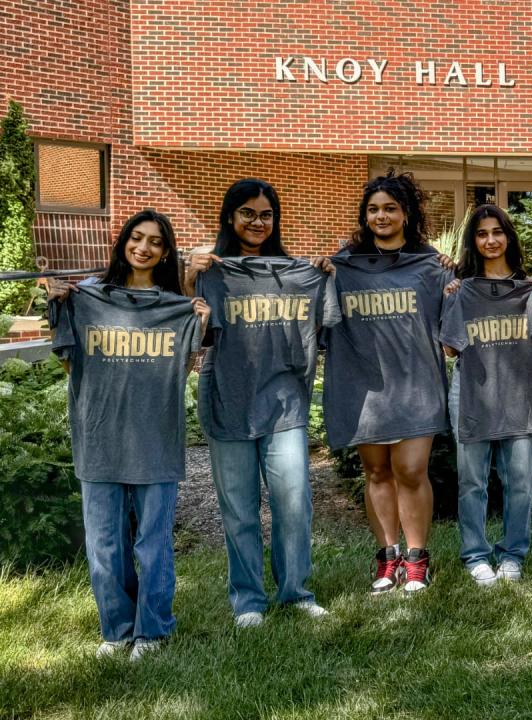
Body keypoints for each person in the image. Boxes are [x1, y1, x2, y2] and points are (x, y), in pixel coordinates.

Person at [48, 210, 208, 661]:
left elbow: (188, 367)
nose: (143, 247)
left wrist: (197, 313)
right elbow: (68, 364)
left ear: (166, 251)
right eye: (136, 238)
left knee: (153, 541)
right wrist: (60, 301)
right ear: (123, 242)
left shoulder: (175, 306)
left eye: (155, 242)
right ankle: (116, 629)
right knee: (104, 543)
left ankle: (153, 630)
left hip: (155, 438)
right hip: (99, 437)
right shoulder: (87, 297)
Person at [187, 179, 338, 628]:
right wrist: (186, 277)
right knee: (239, 506)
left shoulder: (298, 272)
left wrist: (324, 274)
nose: (257, 222)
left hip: (284, 398)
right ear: (230, 218)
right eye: (247, 213)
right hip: (227, 396)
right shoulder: (209, 271)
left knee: (294, 500)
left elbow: (327, 330)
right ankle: (248, 601)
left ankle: (296, 592)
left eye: (266, 214)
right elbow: (186, 336)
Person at [322, 170, 453, 594]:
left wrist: (453, 280)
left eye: (390, 209)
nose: (381, 216)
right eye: (373, 209)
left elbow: (454, 319)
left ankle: (417, 560)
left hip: (416, 382)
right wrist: (321, 273)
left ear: (406, 214)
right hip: (364, 384)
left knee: (412, 470)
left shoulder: (430, 265)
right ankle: (387, 557)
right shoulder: (344, 265)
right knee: (376, 471)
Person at [442, 205, 532, 586]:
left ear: (508, 237)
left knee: (520, 479)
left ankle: (513, 555)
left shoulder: (529, 289)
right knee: (472, 480)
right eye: (482, 233)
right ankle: (475, 555)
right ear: (474, 241)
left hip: (518, 394)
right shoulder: (462, 289)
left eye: (497, 232)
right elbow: (451, 350)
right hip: (472, 393)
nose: (490, 240)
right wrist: (453, 297)